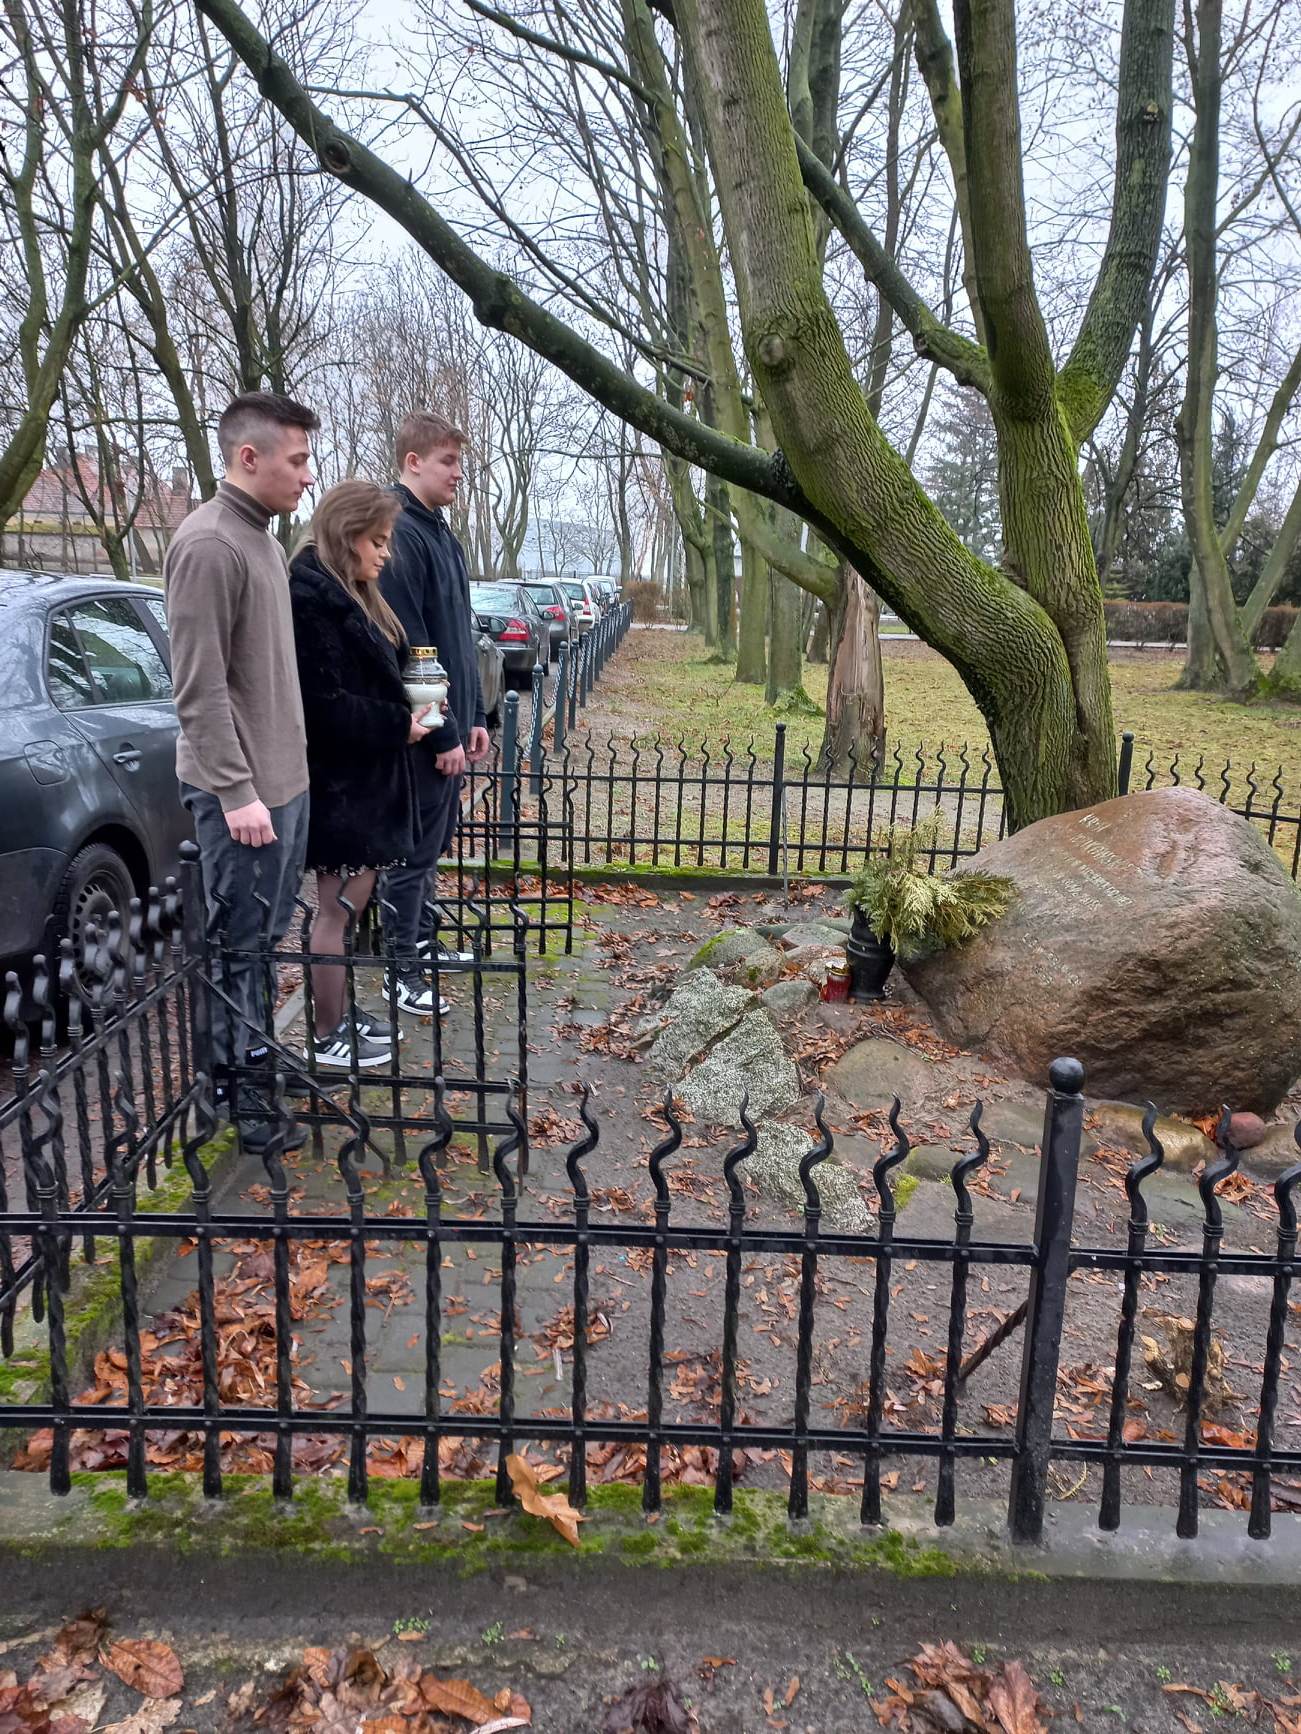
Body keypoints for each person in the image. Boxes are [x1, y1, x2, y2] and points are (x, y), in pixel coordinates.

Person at [163, 391, 318, 1151]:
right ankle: (229, 1090)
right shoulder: (209, 544)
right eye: (298, 460)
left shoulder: (260, 540)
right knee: (234, 944)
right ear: (248, 457)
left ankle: (253, 1056)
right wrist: (234, 791)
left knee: (263, 937)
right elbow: (198, 688)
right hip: (243, 797)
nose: (309, 476)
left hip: (283, 784)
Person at [287, 482, 436, 1068]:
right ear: (347, 536)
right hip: (343, 790)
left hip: (366, 787)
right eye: (378, 541)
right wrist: (397, 724)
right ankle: (327, 1034)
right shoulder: (311, 598)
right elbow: (323, 706)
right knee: (335, 913)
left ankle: (340, 1014)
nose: (386, 553)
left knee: (347, 911)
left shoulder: (352, 594)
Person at [378, 410, 492, 1013]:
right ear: (413, 461)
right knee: (412, 849)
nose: (457, 473)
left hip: (449, 723)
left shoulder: (440, 533)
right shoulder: (401, 532)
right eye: (448, 461)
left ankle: (421, 943)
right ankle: (400, 967)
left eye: (459, 462)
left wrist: (475, 716)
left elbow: (457, 637)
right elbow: (413, 643)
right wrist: (441, 732)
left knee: (433, 845)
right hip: (422, 733)